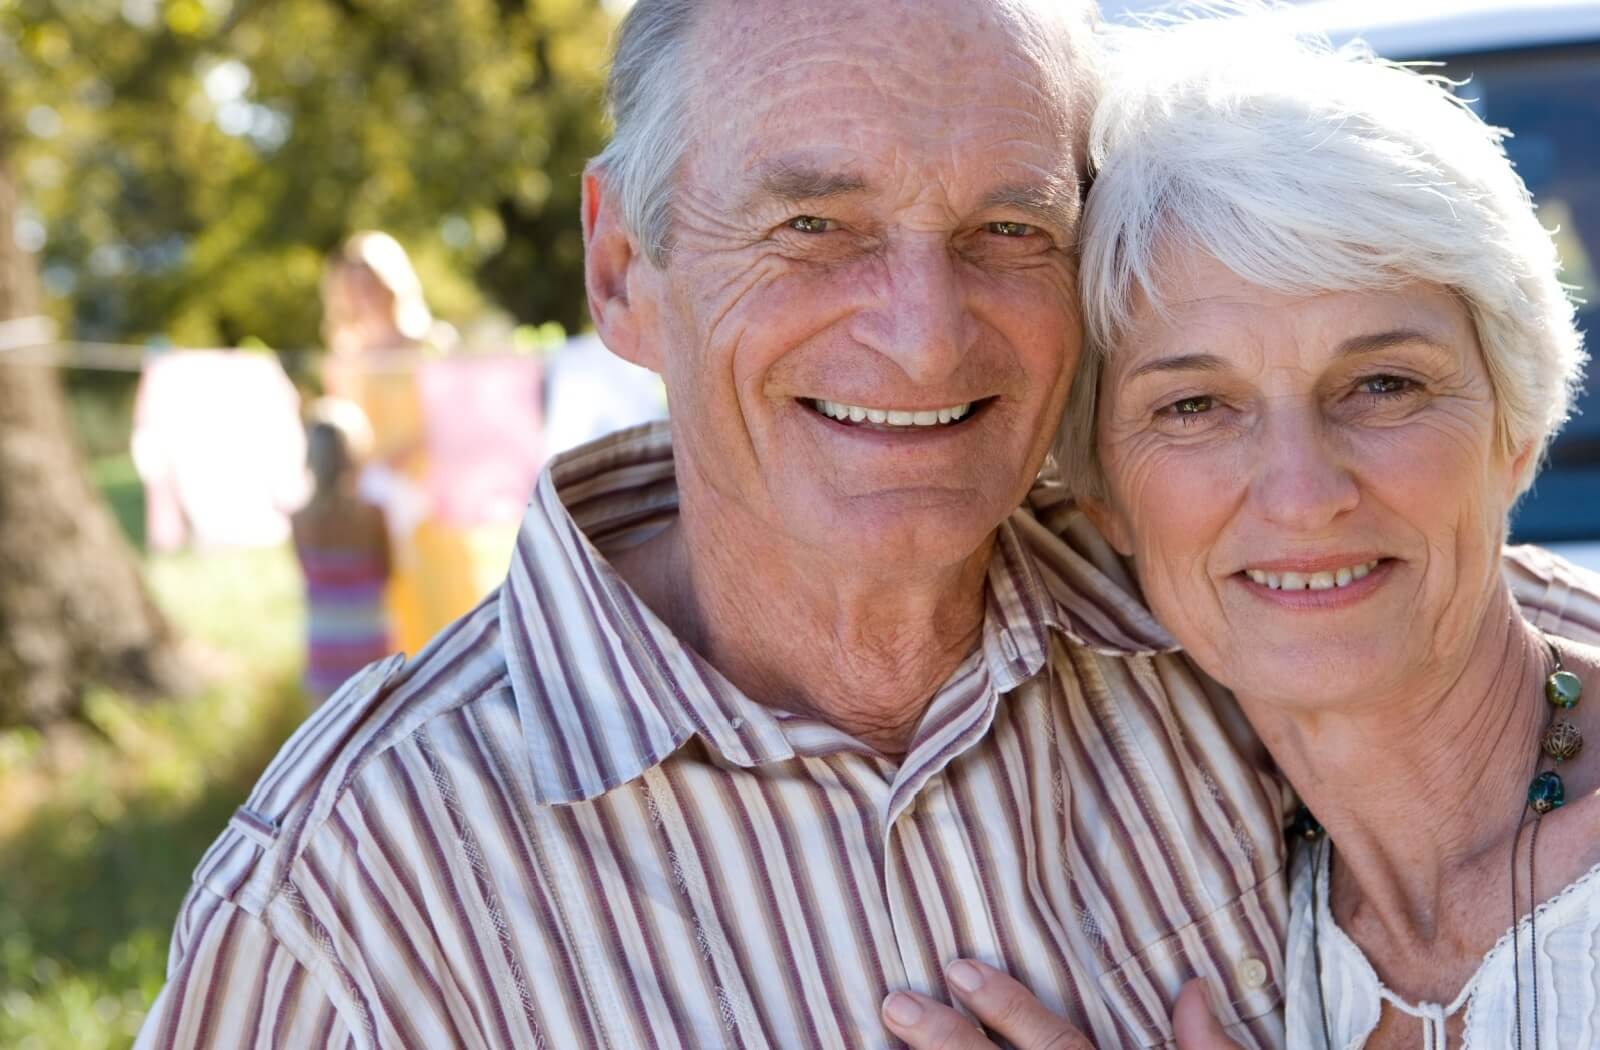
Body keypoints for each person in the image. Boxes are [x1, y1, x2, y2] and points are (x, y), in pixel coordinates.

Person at [131, 2, 1588, 1046]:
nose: (924, 333)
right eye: (812, 227)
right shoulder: (356, 886)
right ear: (625, 266)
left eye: (1008, 230)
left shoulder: (1214, 605)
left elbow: (1512, 655)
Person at [886, 13, 1600, 1050]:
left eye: (1382, 384)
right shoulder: (1232, 922)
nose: (1302, 493)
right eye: (1193, 408)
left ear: (1517, 424)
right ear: (1102, 499)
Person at [319, 231, 479, 656]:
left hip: (428, 495)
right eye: (354, 287)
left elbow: (452, 415)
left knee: (442, 602)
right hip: (375, 498)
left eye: (371, 282)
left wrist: (408, 454)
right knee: (390, 608)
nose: (364, 295)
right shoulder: (343, 353)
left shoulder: (428, 343)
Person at [291, 398, 394, 703]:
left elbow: (304, 574)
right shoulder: (373, 515)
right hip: (369, 643)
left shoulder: (299, 521)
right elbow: (388, 572)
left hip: (323, 646)